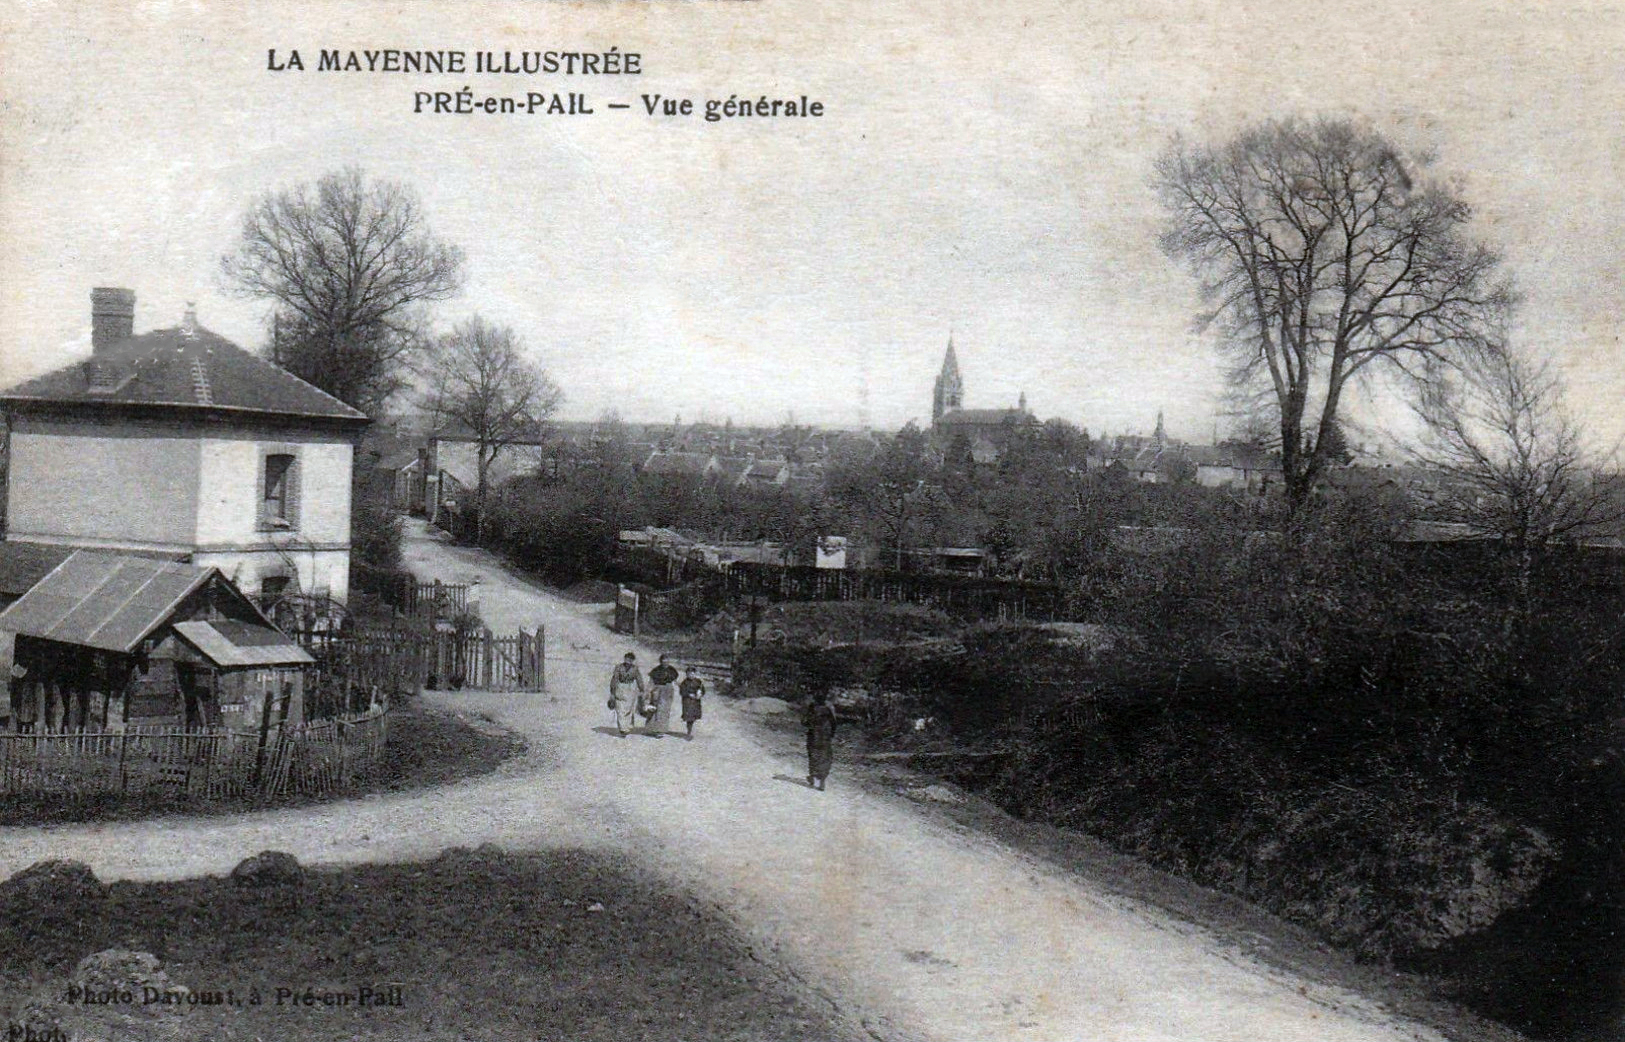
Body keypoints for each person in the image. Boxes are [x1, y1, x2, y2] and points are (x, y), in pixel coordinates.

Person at [802, 691, 838, 791]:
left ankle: (813, 776)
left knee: (813, 755)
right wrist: (832, 734)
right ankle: (822, 780)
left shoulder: (812, 707)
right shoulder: (830, 708)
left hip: (813, 735)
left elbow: (804, 721)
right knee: (825, 757)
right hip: (825, 736)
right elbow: (834, 723)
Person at [608, 652, 644, 737]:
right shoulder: (619, 667)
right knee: (620, 708)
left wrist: (641, 689)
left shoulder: (635, 669)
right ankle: (622, 728)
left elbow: (639, 678)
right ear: (624, 659)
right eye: (627, 659)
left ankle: (627, 726)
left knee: (628, 708)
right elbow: (614, 679)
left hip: (631, 688)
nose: (628, 661)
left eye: (630, 660)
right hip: (621, 687)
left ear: (633, 661)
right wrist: (612, 691)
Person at [646, 654, 679, 737]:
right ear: (660, 661)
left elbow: (675, 681)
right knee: (655, 709)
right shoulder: (656, 670)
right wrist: (648, 691)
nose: (665, 662)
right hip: (657, 689)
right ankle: (651, 729)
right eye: (663, 661)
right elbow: (651, 682)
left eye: (667, 661)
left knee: (664, 710)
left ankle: (660, 730)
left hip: (668, 690)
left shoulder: (672, 670)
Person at [678, 665, 705, 740]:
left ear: (695, 674)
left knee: (693, 717)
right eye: (689, 674)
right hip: (687, 702)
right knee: (689, 718)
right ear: (686, 674)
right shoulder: (684, 683)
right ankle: (689, 732)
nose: (691, 675)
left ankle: (690, 730)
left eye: (692, 673)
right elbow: (682, 692)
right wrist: (689, 694)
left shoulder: (698, 682)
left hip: (695, 702)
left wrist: (700, 693)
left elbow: (703, 690)